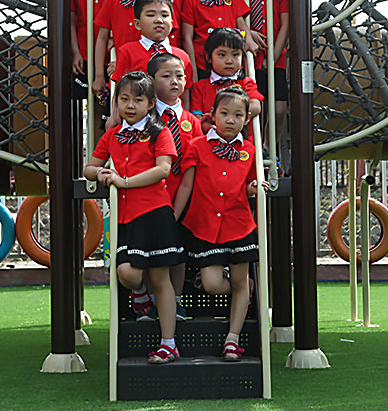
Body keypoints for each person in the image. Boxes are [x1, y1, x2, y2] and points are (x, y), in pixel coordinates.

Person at [83, 71, 184, 364]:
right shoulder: (111, 135)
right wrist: (101, 172)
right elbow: (89, 167)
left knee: (160, 278)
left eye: (138, 100)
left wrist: (124, 182)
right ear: (116, 102)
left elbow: (163, 169)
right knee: (127, 273)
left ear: (150, 104)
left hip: (155, 213)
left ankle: (168, 344)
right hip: (126, 217)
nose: (130, 105)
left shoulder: (160, 132)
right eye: (124, 99)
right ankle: (140, 295)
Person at [173, 86, 259, 362]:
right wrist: (173, 218)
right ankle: (246, 288)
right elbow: (186, 185)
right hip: (205, 226)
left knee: (238, 281)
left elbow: (249, 185)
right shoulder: (197, 146)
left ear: (247, 119)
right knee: (211, 284)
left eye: (238, 115)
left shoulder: (250, 150)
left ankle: (232, 339)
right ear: (212, 114)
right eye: (224, 113)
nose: (231, 120)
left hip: (239, 225)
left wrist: (254, 188)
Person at [148, 52, 203, 320]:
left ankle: (176, 301)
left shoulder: (193, 122)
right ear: (151, 80)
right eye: (166, 76)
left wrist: (177, 211)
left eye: (179, 76)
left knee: (178, 252)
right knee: (153, 253)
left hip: (184, 200)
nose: (174, 81)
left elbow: (196, 166)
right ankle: (150, 301)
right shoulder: (146, 120)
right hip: (151, 199)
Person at [226, 0, 289, 146]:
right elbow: (231, 17)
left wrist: (273, 56)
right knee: (254, 107)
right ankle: (256, 151)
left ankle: (271, 147)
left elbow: (286, 23)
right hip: (246, 57)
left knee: (279, 108)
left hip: (275, 56)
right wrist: (246, 34)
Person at [92, 0, 167, 97]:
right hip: (122, 74)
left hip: (153, 74)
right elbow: (102, 37)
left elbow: (167, 40)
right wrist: (99, 75)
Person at [108, 0, 194, 127]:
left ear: (172, 23)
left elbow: (185, 94)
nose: (159, 20)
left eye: (164, 15)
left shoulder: (182, 56)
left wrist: (185, 121)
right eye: (151, 15)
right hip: (138, 122)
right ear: (137, 23)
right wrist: (115, 117)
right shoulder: (127, 51)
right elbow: (120, 89)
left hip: (172, 122)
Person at [190, 28, 263, 134]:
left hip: (241, 141)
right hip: (211, 139)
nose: (229, 61)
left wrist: (225, 114)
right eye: (222, 55)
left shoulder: (246, 83)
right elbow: (197, 118)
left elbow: (256, 107)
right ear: (209, 57)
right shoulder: (200, 87)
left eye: (235, 55)